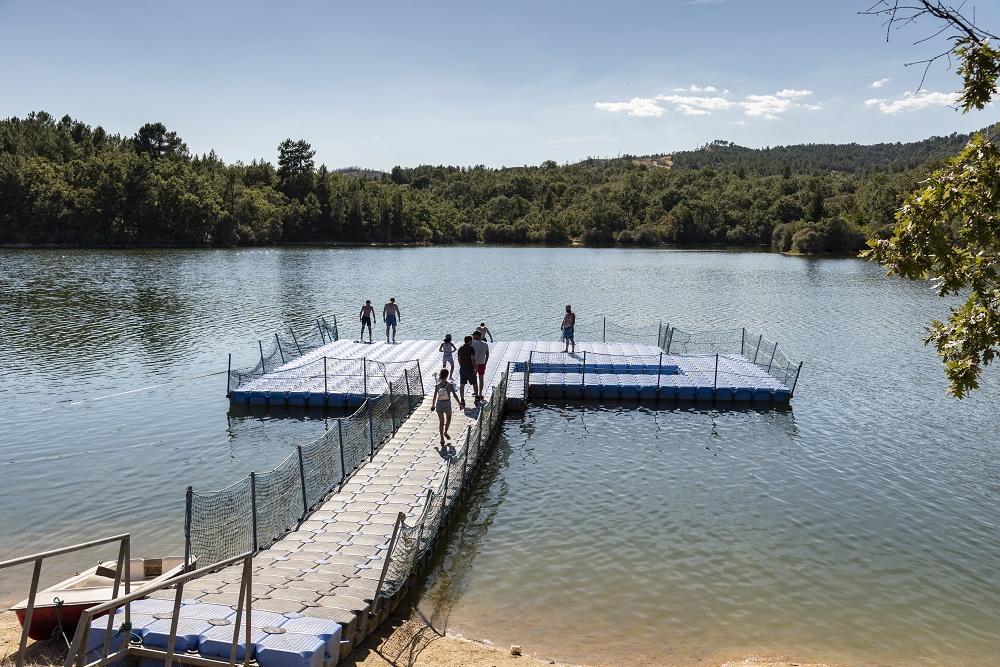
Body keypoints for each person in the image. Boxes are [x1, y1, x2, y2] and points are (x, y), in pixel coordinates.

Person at [430, 368, 461, 446]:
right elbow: (454, 395)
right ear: (447, 375)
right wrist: (459, 404)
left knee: (441, 422)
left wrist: (433, 405)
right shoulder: (450, 385)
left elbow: (434, 397)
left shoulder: (437, 386)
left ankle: (442, 439)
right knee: (449, 418)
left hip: (439, 404)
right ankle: (445, 432)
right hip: (447, 404)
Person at [456, 335, 476, 407]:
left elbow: (459, 359)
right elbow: (473, 359)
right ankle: (476, 397)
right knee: (474, 383)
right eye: (472, 340)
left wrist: (461, 365)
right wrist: (475, 368)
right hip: (470, 368)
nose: (472, 341)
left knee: (462, 385)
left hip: (463, 369)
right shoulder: (471, 348)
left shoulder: (460, 348)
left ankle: (462, 399)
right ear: (469, 341)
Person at [471, 330, 490, 401]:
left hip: (474, 363)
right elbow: (487, 354)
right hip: (482, 363)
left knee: (474, 378)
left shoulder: (472, 343)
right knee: (481, 378)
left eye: (474, 335)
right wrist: (485, 362)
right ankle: (480, 392)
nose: (473, 336)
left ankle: (476, 392)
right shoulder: (485, 344)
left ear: (477, 336)